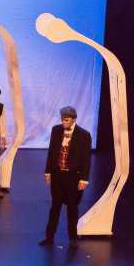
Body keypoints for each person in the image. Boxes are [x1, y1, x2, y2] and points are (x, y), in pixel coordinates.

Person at [39, 106, 92, 249]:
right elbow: (51, 152)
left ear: (73, 120)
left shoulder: (84, 135)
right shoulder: (56, 130)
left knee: (72, 208)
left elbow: (86, 159)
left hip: (73, 177)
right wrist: (48, 172)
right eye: (62, 119)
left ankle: (73, 238)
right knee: (55, 207)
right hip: (57, 175)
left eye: (66, 120)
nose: (63, 122)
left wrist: (84, 179)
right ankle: (49, 237)